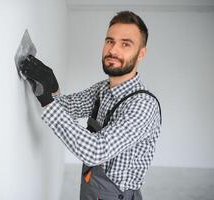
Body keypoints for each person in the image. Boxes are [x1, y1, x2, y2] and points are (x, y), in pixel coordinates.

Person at [20, 10, 162, 200]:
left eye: (125, 44)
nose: (113, 50)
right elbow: (67, 107)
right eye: (110, 41)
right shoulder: (102, 90)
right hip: (91, 187)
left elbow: (96, 151)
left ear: (141, 54)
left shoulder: (144, 106)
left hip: (116, 195)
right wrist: (52, 87)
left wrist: (46, 99)